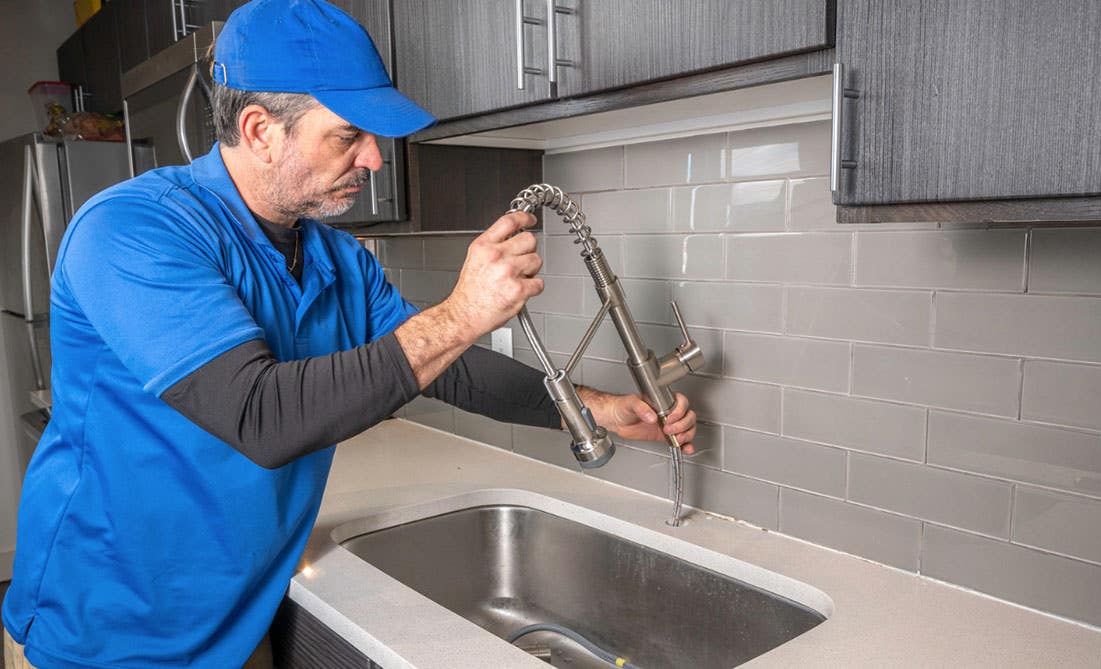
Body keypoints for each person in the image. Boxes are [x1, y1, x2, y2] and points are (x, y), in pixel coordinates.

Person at [0, 1, 697, 667]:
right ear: (259, 130)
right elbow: (260, 415)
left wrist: (596, 407)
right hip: (108, 633)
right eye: (348, 135)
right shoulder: (133, 231)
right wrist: (460, 312)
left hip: (239, 614)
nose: (373, 159)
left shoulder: (332, 257)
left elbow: (448, 366)